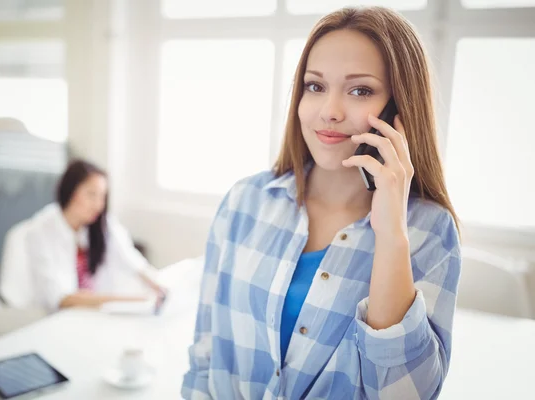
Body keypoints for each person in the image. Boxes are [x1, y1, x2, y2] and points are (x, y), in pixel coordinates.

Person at [182, 6, 461, 400]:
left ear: (400, 110)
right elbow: (205, 358)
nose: (329, 111)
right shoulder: (245, 203)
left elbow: (406, 393)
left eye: (360, 90)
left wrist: (392, 237)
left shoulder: (430, 232)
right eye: (315, 86)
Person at [0, 159, 166, 312]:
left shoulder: (102, 225)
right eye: (91, 195)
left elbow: (134, 263)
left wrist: (159, 287)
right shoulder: (40, 232)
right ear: (70, 191)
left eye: (102, 196)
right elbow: (59, 298)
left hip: (95, 312)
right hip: (64, 317)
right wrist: (132, 301)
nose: (98, 205)